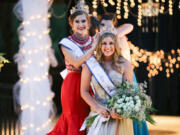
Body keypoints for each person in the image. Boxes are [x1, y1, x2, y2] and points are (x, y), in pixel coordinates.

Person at [47, 1, 95, 135]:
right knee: (74, 118)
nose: (81, 25)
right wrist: (94, 48)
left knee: (90, 119)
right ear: (71, 24)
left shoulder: (94, 40)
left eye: (83, 21)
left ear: (88, 23)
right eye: (77, 22)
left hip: (93, 84)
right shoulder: (66, 43)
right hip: (74, 84)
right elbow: (76, 63)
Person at [99, 13, 149, 135]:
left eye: (110, 26)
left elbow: (130, 26)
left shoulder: (119, 37)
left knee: (127, 112)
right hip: (105, 80)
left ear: (115, 27)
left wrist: (113, 33)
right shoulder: (99, 40)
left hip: (124, 77)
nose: (106, 29)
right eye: (103, 25)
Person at [80, 27, 134, 135]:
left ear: (116, 45)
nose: (107, 47)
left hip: (118, 116)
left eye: (111, 43)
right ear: (99, 45)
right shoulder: (91, 64)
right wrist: (97, 108)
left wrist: (119, 109)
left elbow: (128, 92)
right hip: (98, 114)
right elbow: (84, 91)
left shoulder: (125, 64)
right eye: (104, 43)